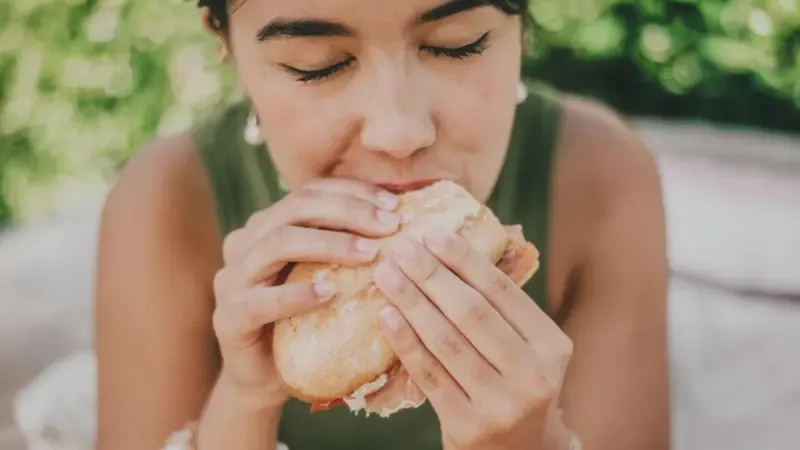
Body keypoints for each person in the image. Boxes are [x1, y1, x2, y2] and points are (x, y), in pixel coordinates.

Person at [94, 0, 670, 449]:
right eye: (317, 65)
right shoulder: (165, 205)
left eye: (457, 45)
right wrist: (246, 400)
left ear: (520, 26)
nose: (399, 133)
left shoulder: (602, 180)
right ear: (225, 42)